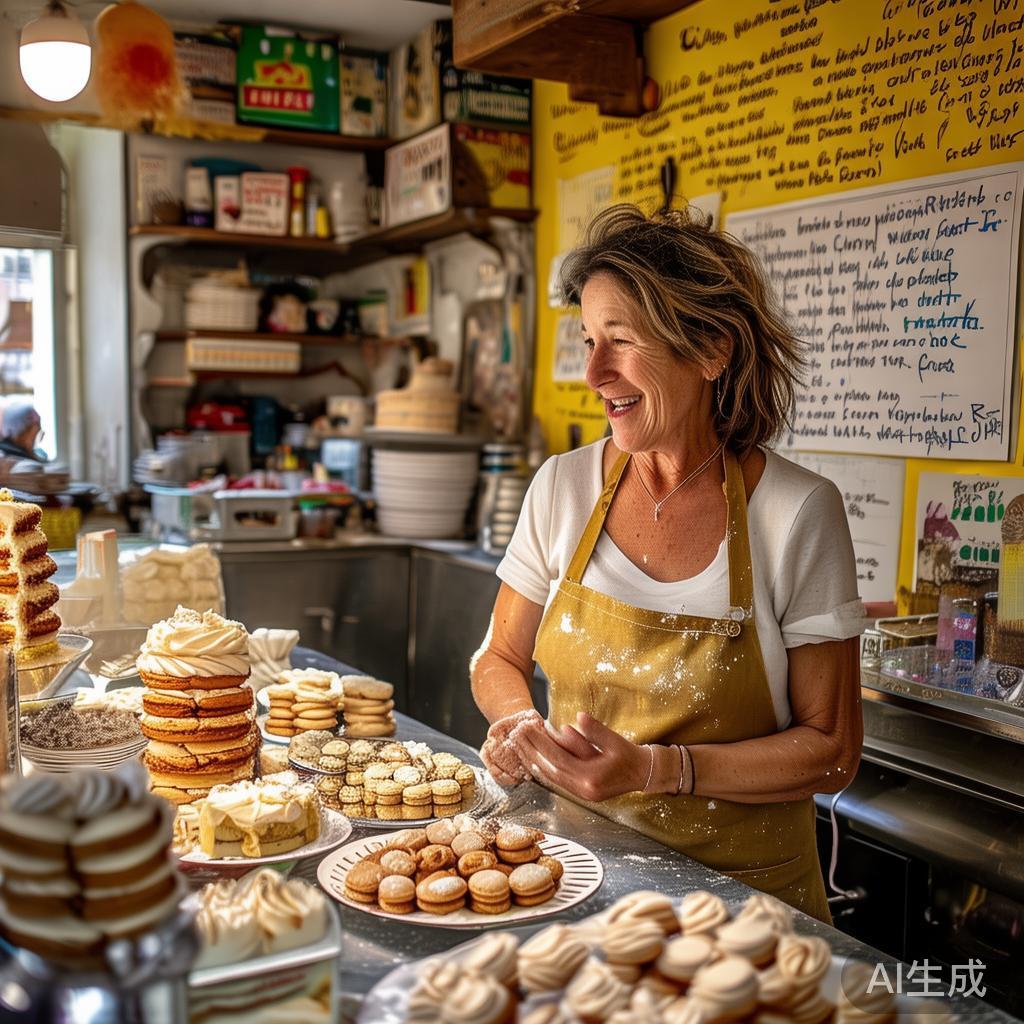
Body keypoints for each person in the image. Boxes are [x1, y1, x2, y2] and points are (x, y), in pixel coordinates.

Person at [470, 204, 866, 922]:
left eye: (619, 340)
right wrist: (521, 727)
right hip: (575, 883)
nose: (593, 372)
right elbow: (497, 656)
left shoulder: (797, 513)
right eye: (589, 340)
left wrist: (660, 770)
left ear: (712, 349)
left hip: (747, 912)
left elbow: (832, 750)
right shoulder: (562, 488)